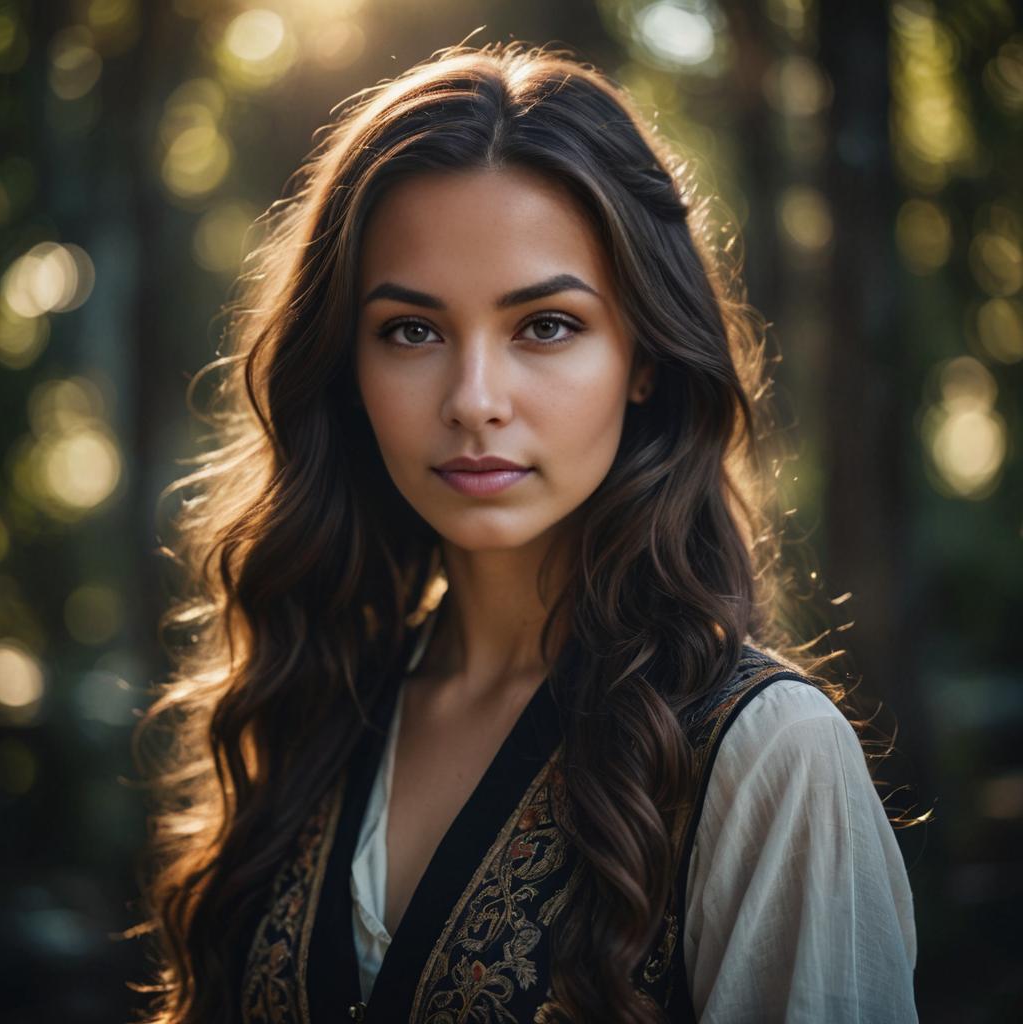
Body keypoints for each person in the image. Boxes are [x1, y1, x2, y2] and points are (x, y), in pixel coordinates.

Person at [129, 40, 919, 1024]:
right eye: (411, 330)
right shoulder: (309, 703)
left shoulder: (764, 755)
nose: (472, 400)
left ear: (643, 356)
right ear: (347, 367)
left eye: (544, 324)